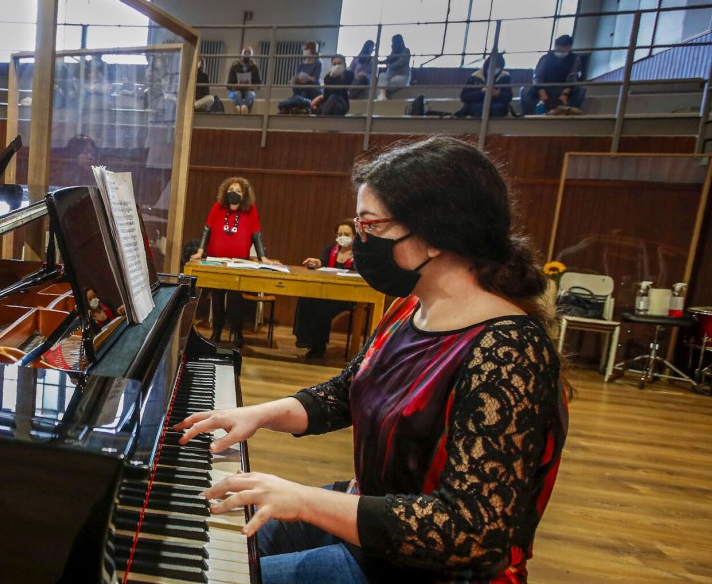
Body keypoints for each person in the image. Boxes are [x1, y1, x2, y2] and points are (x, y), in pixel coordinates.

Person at [176, 136, 568, 583]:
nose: (361, 240)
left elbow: (469, 531)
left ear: (434, 235)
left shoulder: (509, 351)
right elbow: (348, 390)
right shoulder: (411, 307)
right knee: (208, 546)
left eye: (370, 227)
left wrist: (302, 499)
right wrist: (261, 413)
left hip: (423, 568)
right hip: (371, 518)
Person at [189, 177, 273, 347]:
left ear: (244, 195)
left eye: (238, 191)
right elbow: (207, 229)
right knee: (217, 297)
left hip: (239, 262)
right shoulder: (217, 208)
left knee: (237, 299)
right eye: (231, 190)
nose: (233, 193)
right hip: (217, 260)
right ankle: (217, 329)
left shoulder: (251, 211)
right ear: (225, 191)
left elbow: (256, 234)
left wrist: (263, 257)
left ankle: (236, 331)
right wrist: (199, 251)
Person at [294, 220, 356, 360]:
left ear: (354, 236)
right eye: (339, 234)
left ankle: (318, 347)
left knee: (321, 306)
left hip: (347, 296)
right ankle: (306, 340)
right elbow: (322, 263)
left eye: (346, 234)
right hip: (327, 292)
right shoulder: (331, 249)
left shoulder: (358, 254)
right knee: (307, 297)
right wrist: (317, 263)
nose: (342, 237)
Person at [523, 34, 585, 115]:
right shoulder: (545, 58)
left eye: (562, 47)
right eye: (557, 46)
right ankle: (529, 114)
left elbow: (572, 77)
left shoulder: (575, 59)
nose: (559, 49)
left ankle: (568, 112)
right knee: (525, 90)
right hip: (545, 87)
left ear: (569, 47)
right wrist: (543, 95)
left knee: (580, 90)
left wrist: (564, 94)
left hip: (564, 89)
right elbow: (537, 77)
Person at [456, 52, 513, 118]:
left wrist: (498, 94)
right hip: (477, 105)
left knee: (496, 109)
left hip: (497, 105)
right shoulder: (475, 77)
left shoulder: (504, 77)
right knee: (480, 109)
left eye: (498, 67)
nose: (495, 69)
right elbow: (464, 97)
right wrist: (481, 92)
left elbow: (509, 97)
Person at [226, 46, 262, 114]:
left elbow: (259, 84)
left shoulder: (255, 68)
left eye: (249, 53)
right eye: (245, 52)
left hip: (249, 90)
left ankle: (241, 109)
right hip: (236, 90)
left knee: (251, 95)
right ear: (241, 54)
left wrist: (251, 86)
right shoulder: (235, 67)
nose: (247, 54)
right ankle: (243, 110)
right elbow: (228, 85)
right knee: (237, 94)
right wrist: (236, 85)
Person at [376, 34, 411, 101]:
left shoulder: (406, 51)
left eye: (393, 42)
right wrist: (376, 61)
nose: (392, 44)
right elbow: (386, 61)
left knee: (389, 83)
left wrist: (390, 66)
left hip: (402, 76)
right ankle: (382, 95)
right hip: (389, 75)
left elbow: (401, 62)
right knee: (382, 75)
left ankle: (382, 93)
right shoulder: (393, 53)